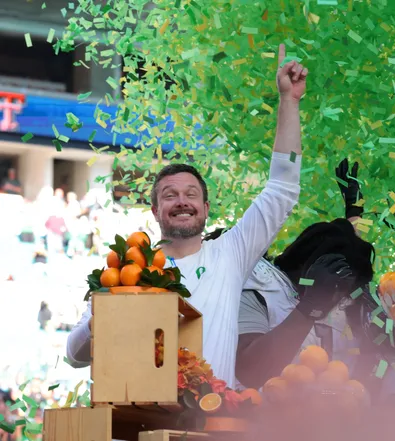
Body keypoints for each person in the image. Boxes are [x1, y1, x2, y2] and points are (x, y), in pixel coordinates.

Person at [66, 44, 308, 386]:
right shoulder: (127, 272)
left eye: (192, 195)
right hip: (140, 429)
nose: (182, 202)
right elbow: (73, 355)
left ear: (206, 209)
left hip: (210, 427)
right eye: (170, 195)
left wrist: (289, 102)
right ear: (154, 210)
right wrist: (102, 316)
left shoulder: (231, 254)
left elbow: (282, 189)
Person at [235, 218, 375, 388]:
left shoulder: (342, 311)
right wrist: (309, 307)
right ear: (305, 264)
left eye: (345, 288)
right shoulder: (260, 284)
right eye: (335, 282)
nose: (338, 295)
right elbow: (251, 373)